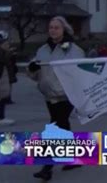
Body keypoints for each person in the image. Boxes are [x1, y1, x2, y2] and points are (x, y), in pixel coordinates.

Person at [27, 16, 85, 181]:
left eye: (56, 27)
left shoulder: (73, 50)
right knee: (63, 126)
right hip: (49, 95)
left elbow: (82, 72)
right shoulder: (43, 50)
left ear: (64, 29)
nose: (53, 30)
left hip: (66, 95)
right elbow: (35, 75)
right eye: (51, 27)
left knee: (55, 127)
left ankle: (48, 166)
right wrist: (32, 69)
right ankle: (73, 159)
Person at [0, 38, 17, 125]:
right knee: (2, 97)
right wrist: (9, 54)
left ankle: (2, 117)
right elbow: (2, 64)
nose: (8, 46)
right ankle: (1, 118)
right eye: (6, 44)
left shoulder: (2, 52)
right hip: (1, 77)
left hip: (3, 77)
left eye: (8, 44)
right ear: (1, 45)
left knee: (3, 97)